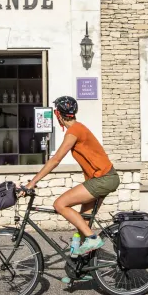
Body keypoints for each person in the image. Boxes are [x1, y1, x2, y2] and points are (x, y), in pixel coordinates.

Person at [23, 96, 120, 256]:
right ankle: (83, 267)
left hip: (103, 179)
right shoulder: (78, 129)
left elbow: (55, 159)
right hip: (104, 178)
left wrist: (32, 182)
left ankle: (93, 239)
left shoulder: (74, 131)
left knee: (60, 204)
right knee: (84, 223)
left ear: (58, 114)